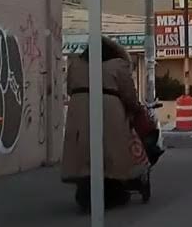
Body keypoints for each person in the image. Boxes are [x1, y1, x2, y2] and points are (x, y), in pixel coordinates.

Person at [61, 36, 145, 210]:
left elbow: (69, 88)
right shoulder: (117, 65)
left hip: (80, 107)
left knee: (82, 149)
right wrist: (135, 109)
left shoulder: (76, 65)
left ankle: (84, 186)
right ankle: (113, 190)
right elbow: (128, 93)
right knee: (111, 151)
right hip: (109, 108)